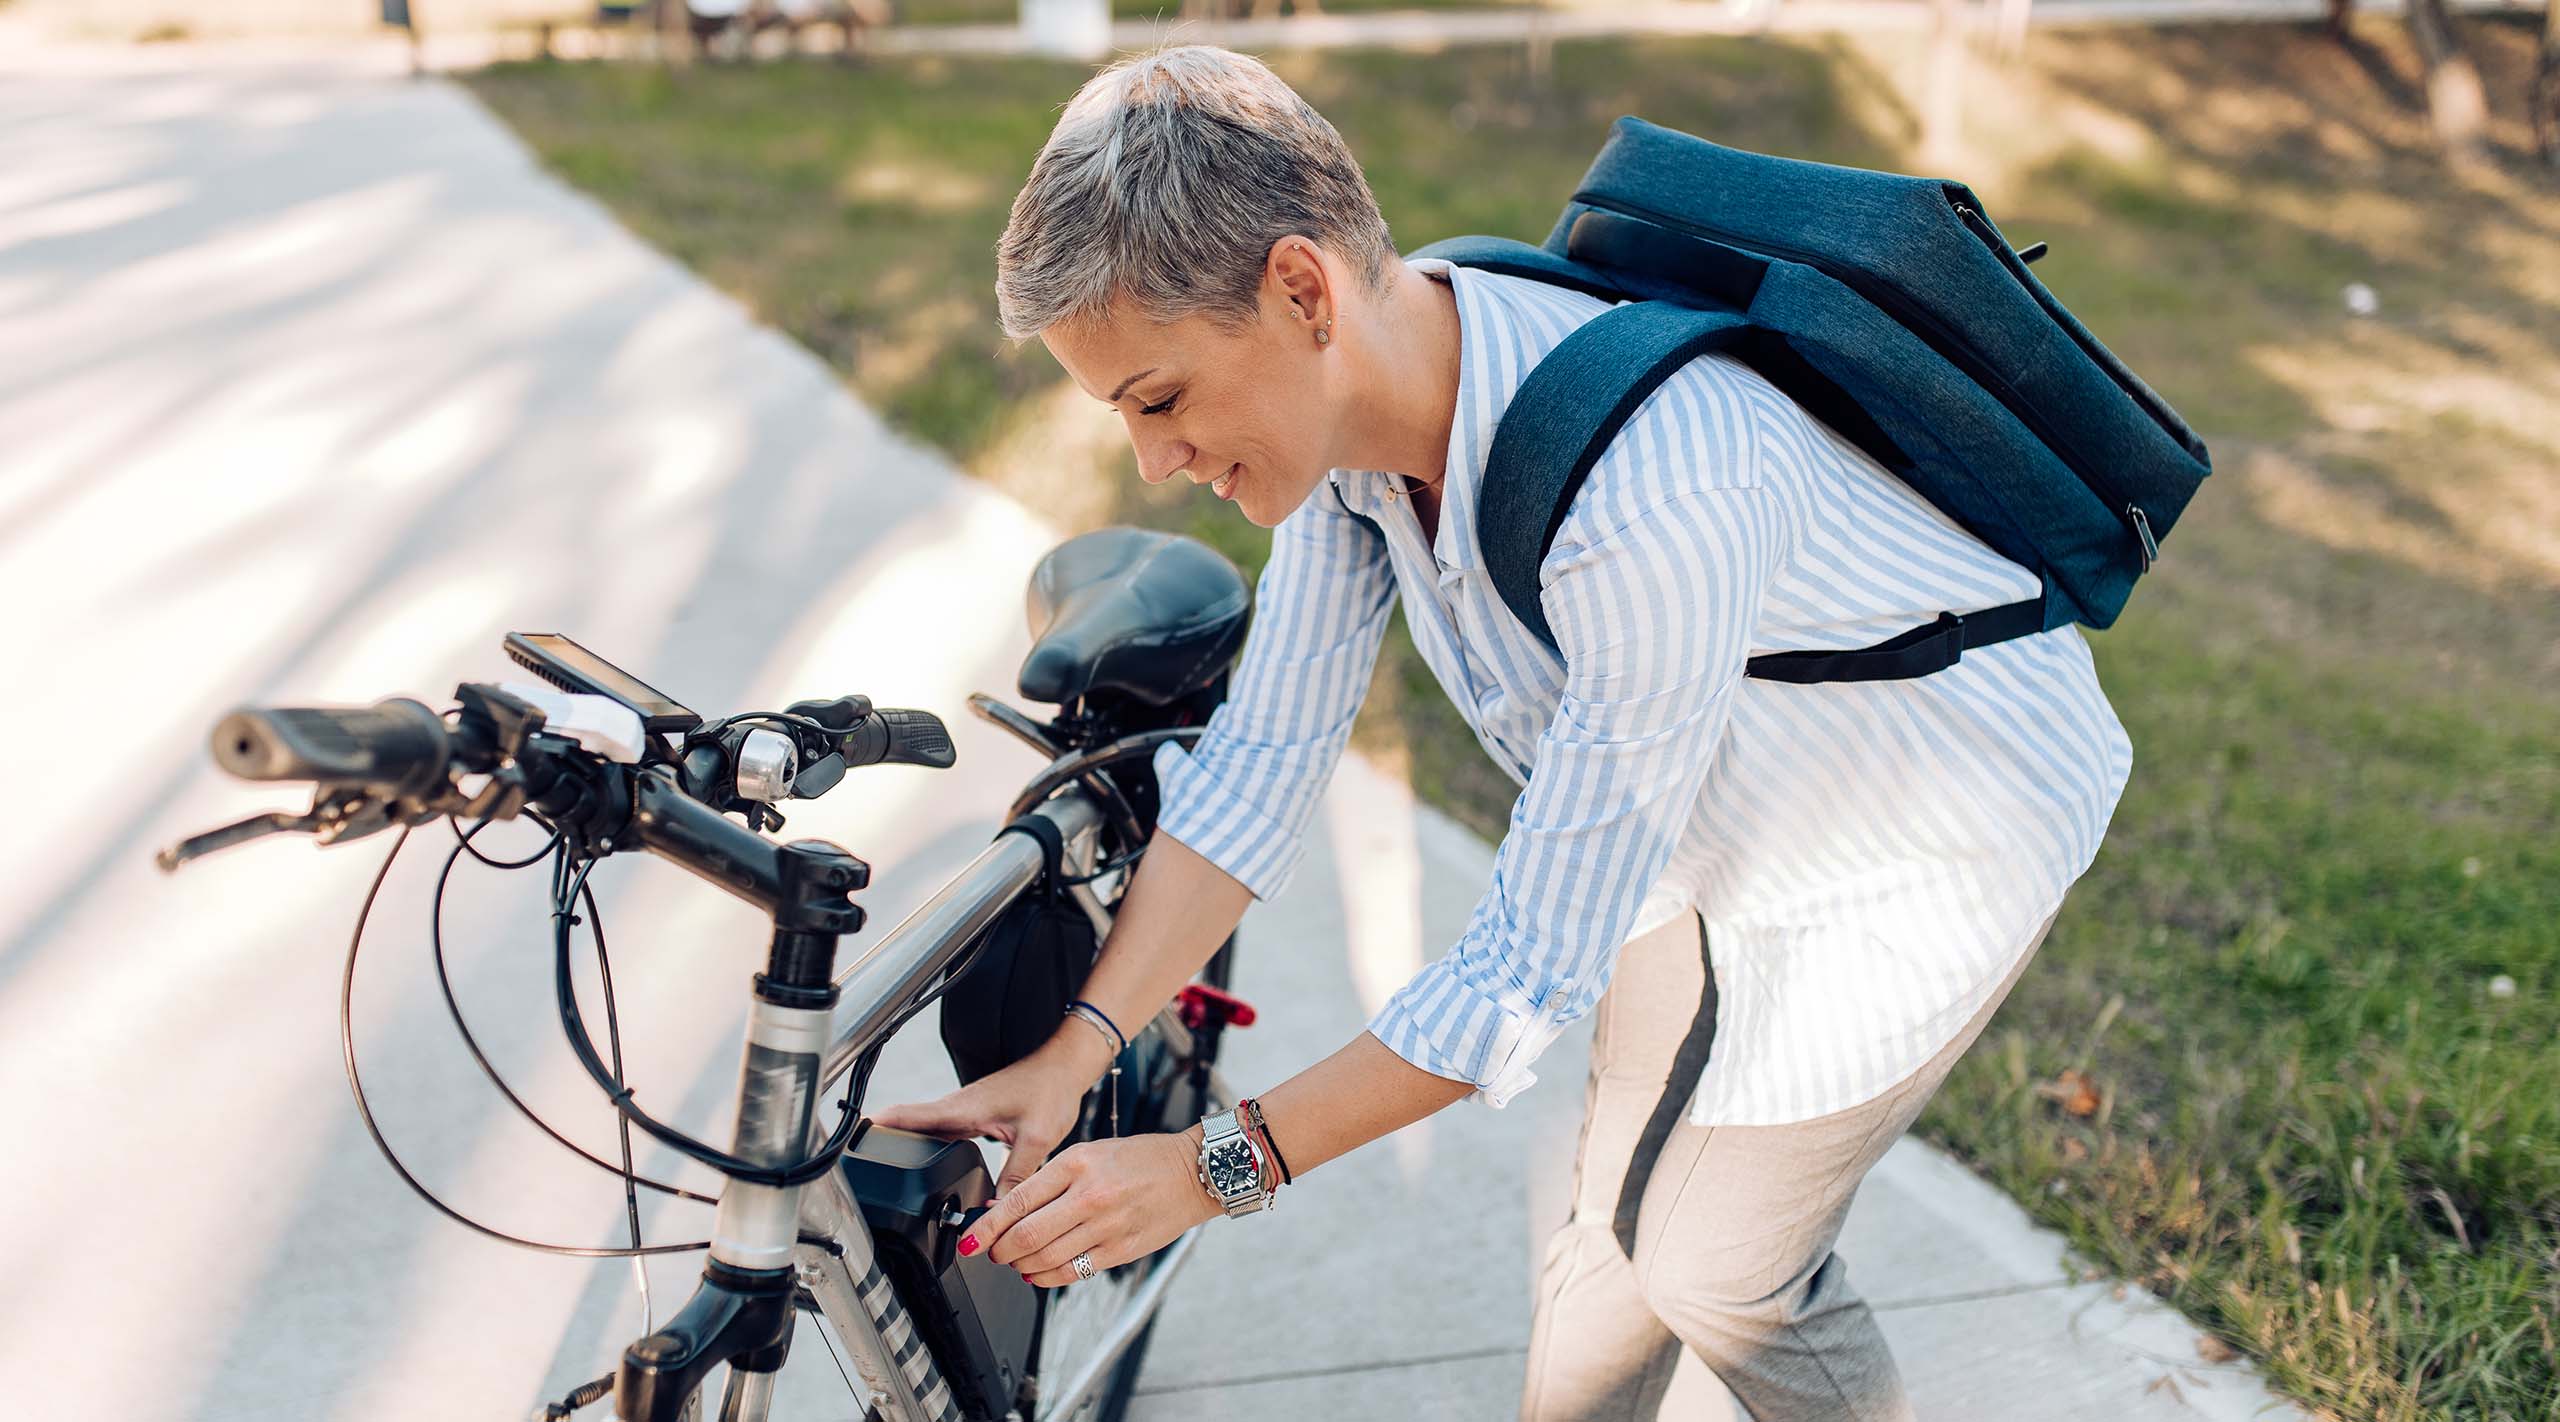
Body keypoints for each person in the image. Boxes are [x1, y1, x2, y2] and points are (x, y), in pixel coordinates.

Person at [870, 44, 2131, 1421]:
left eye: (1161, 399)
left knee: (1715, 1263)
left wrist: (1209, 1167)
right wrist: (1073, 1056)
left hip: (1930, 828)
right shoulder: (1365, 427)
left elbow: (1526, 964)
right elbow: (1258, 769)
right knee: (1608, 1232)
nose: (1153, 463)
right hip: (1708, 812)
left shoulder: (1656, 490)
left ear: (1303, 290)